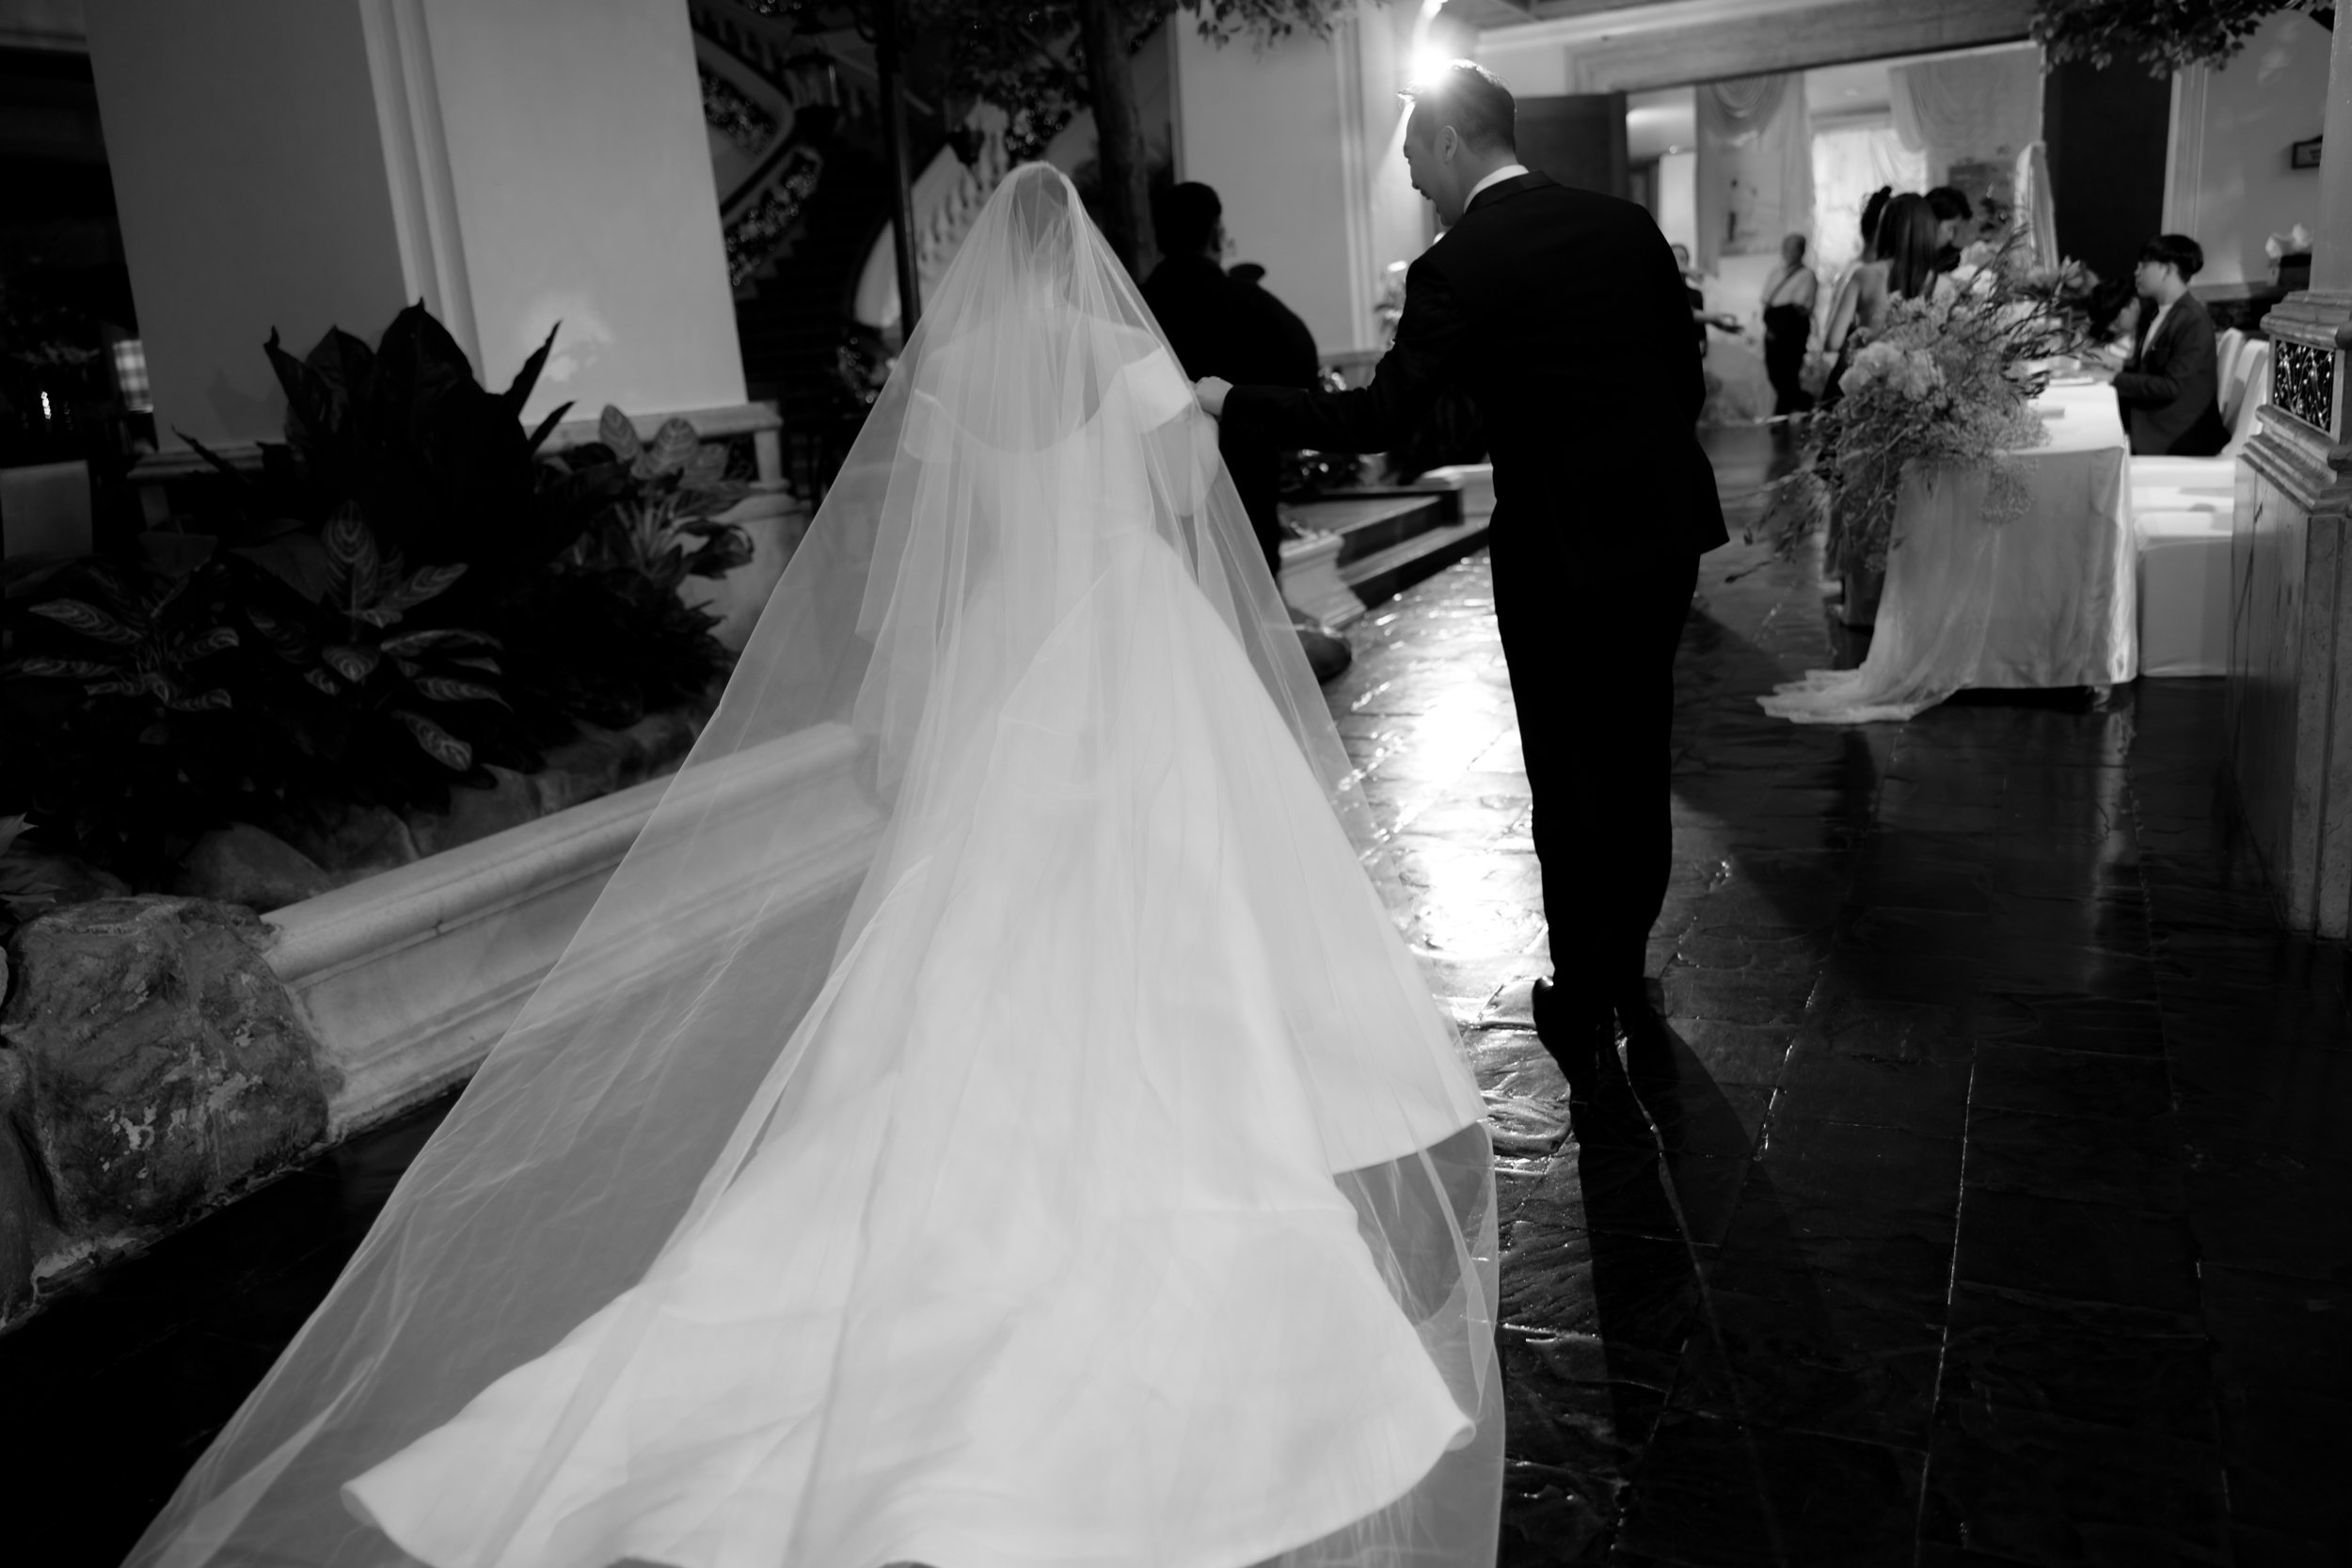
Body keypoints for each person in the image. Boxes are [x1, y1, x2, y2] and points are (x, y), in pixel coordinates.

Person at [123, 165, 1502, 1568]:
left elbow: (938, 544)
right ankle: (1196, 1086)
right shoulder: (1120, 354)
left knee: (992, 890)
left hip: (1009, 644)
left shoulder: (955, 370)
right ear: (1080, 252)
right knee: (1172, 871)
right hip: (1130, 634)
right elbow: (1179, 498)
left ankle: (996, 1100)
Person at [1199, 60, 1726, 1085]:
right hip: (1660, 533)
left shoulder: (1460, 261)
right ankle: (1624, 969)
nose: (1410, 179)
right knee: (1636, 753)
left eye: (1412, 156)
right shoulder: (1626, 227)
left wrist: (1233, 401)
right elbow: (1683, 380)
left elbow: (1378, 417)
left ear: (1448, 140)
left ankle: (1583, 999)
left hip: (1557, 549)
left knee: (1566, 773)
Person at [1142, 181, 1321, 580]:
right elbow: (1304, 374)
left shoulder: (1136, 306)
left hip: (1159, 507)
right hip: (1246, 489)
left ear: (1159, 235)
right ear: (1217, 233)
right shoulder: (1253, 305)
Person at [2110, 233, 2229, 456]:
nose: (2136, 272)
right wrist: (2115, 365)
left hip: (2177, 437)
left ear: (2168, 269)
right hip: (2155, 422)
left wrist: (2112, 378)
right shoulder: (2160, 312)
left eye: (2144, 265)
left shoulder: (2192, 319)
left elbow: (2171, 386)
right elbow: (2153, 368)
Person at [1820, 191, 1939, 407]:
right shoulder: (1941, 283)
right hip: (1915, 393)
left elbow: (1832, 342)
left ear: (1884, 230)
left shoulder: (1863, 275)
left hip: (1866, 387)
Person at [1759, 231, 1819, 416]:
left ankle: (1783, 415)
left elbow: (1799, 305)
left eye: (1792, 248)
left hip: (1792, 330)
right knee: (1775, 374)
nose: (1787, 252)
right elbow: (1767, 298)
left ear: (1801, 251)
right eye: (1786, 247)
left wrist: (1782, 317)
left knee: (1788, 375)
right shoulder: (1776, 272)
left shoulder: (1807, 275)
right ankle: (1804, 404)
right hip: (1774, 326)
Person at [1926, 184, 1974, 275]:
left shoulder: (1952, 258)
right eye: (1950, 228)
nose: (1951, 237)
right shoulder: (1906, 260)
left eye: (1955, 230)